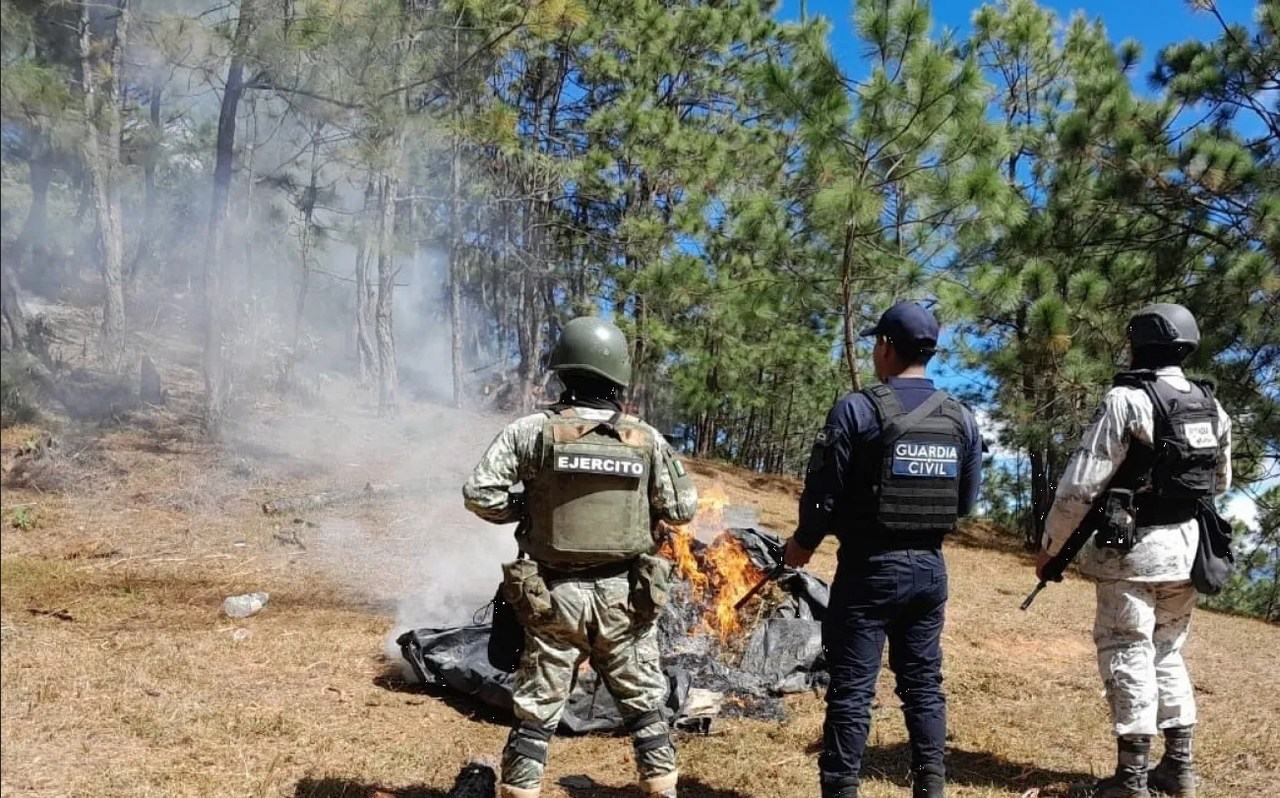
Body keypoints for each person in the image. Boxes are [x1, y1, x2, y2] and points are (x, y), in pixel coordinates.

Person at [463, 316, 699, 798]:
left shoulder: (530, 431)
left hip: (552, 595)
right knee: (645, 705)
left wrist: (525, 509)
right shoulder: (646, 439)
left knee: (537, 710)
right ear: (617, 376)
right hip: (626, 597)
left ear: (562, 373)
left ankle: (521, 791)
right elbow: (681, 509)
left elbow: (480, 494)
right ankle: (661, 788)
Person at [783, 301, 983, 798]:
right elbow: (965, 501)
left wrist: (803, 544)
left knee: (852, 690)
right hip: (930, 572)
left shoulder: (856, 409)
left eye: (877, 343)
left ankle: (841, 791)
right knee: (922, 686)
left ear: (887, 348)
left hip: (869, 571)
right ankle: (931, 789)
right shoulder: (962, 418)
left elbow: (823, 493)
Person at [1037, 303, 1231, 798]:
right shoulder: (1211, 404)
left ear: (1140, 342)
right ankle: (1179, 768)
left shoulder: (1127, 399)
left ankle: (1131, 780)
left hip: (1134, 554)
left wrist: (1051, 546)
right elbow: (1221, 480)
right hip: (1189, 552)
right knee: (1167, 651)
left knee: (1127, 650)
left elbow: (1080, 485)